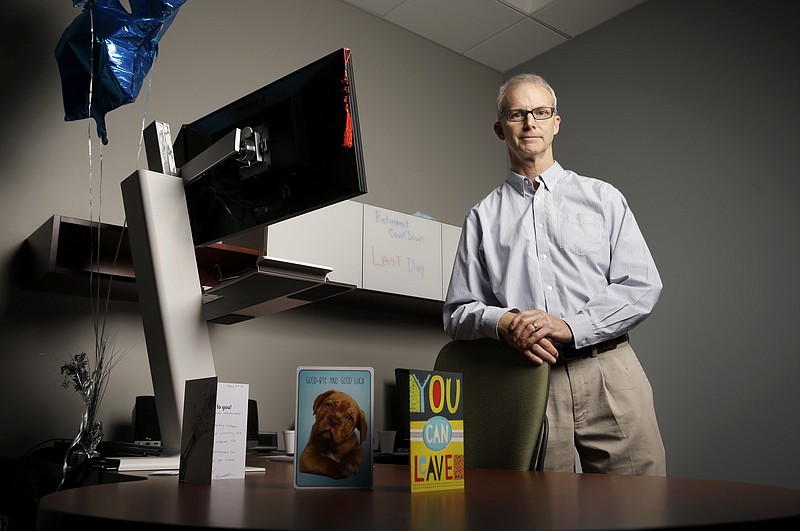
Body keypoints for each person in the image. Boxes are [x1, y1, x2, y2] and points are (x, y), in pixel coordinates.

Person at [443, 73, 666, 476]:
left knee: (642, 504)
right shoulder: (481, 218)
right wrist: (503, 321)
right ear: (500, 129)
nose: (530, 123)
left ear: (555, 123)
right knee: (544, 510)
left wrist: (570, 326)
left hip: (610, 371)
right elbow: (457, 313)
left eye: (540, 112)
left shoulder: (603, 198)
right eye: (517, 114)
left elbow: (641, 286)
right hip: (530, 383)